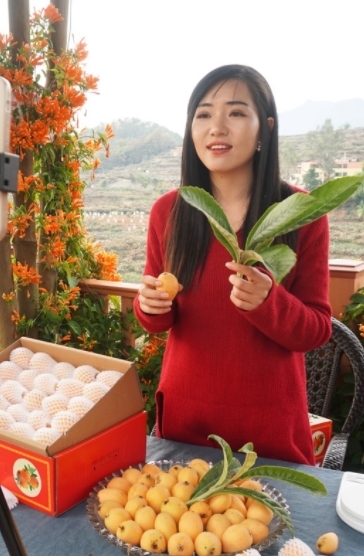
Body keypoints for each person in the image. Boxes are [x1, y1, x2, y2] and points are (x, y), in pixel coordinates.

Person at [133, 64, 332, 465]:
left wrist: (269, 302)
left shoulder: (300, 213)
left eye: (236, 113)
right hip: (185, 429)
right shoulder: (170, 211)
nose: (217, 128)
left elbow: (317, 329)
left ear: (265, 129)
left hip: (270, 435)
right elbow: (158, 319)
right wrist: (149, 306)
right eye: (203, 114)